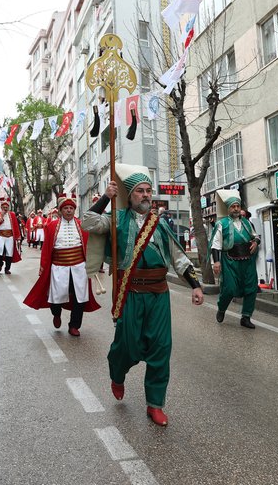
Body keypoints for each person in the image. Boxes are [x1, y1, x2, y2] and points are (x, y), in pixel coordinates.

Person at [82, 164, 204, 427]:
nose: (146, 195)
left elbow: (178, 258)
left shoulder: (160, 224)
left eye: (149, 190)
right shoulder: (117, 219)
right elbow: (88, 221)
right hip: (131, 293)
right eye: (140, 191)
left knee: (161, 349)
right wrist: (106, 197)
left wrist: (195, 284)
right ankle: (118, 374)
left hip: (159, 294)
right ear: (130, 195)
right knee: (126, 346)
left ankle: (155, 404)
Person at [24, 194, 100, 336]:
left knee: (80, 297)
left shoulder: (82, 225)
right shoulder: (52, 226)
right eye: (66, 208)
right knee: (56, 297)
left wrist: (93, 263)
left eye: (71, 208)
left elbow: (89, 245)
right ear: (60, 210)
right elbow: (46, 247)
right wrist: (43, 265)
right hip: (59, 266)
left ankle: (74, 326)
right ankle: (56, 313)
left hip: (79, 268)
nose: (69, 210)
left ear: (74, 210)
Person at [209, 190, 261, 328]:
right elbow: (216, 244)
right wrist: (217, 261)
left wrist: (256, 242)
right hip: (230, 261)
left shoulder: (246, 223)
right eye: (233, 206)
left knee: (251, 289)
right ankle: (221, 308)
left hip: (248, 262)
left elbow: (255, 236)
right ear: (228, 208)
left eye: (238, 206)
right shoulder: (222, 224)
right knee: (229, 289)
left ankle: (246, 317)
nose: (236, 209)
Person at [0, 197, 22, 274]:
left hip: (10, 236)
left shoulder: (12, 215)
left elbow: (16, 226)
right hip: (0, 235)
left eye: (6, 207)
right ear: (1, 207)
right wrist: (1, 216)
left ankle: (7, 269)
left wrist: (18, 236)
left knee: (9, 253)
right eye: (4, 207)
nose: (5, 209)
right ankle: (0, 263)